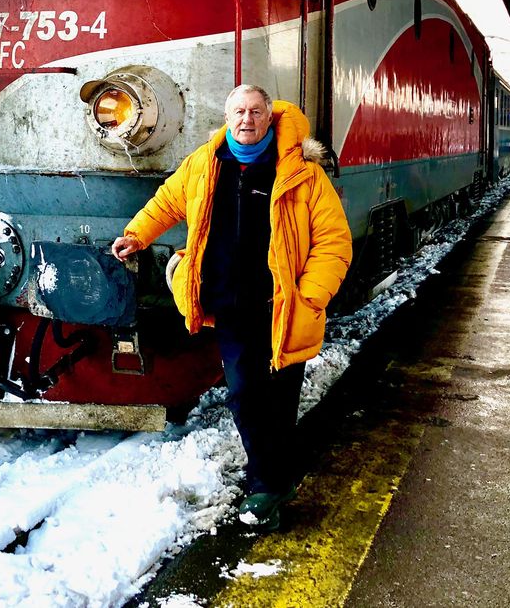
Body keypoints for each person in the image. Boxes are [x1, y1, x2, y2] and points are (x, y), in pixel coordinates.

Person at [111, 85, 352, 531]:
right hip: (230, 304)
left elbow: (333, 241)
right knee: (243, 394)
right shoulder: (205, 164)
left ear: (270, 116)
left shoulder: (302, 174)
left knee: (279, 401)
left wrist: (311, 295)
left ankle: (268, 483)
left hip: (281, 307)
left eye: (256, 111)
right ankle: (270, 483)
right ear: (227, 116)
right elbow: (168, 201)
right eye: (238, 111)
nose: (247, 119)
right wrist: (137, 234)